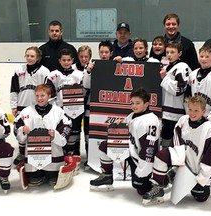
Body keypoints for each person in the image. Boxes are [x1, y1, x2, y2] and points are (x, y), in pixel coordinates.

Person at [142, 96, 211, 205]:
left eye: (196, 110)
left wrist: (202, 177)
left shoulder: (210, 129)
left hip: (197, 168)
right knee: (161, 156)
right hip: (183, 161)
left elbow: (210, 156)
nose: (192, 113)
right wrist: (177, 164)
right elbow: (175, 144)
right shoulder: (183, 121)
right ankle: (158, 188)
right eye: (190, 109)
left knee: (199, 195)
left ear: (203, 111)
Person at [90, 87, 161, 197]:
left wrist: (142, 170)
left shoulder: (150, 121)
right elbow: (129, 124)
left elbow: (149, 150)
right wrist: (121, 123)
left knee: (141, 189)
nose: (134, 106)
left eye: (138, 103)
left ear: (147, 104)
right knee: (105, 146)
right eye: (132, 103)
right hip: (130, 152)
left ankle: (162, 182)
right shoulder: (133, 115)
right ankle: (107, 176)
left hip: (141, 158)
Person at [13, 84, 73, 186]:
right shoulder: (26, 111)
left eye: (42, 95)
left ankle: (53, 171)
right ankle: (35, 173)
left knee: (53, 179)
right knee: (34, 180)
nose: (39, 98)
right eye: (37, 95)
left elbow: (67, 126)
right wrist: (22, 130)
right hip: (33, 158)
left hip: (54, 158)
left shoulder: (58, 111)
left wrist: (55, 135)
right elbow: (16, 126)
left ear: (49, 96)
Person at [10, 46, 50, 166]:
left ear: (37, 58)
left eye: (32, 56)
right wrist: (13, 105)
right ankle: (22, 153)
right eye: (27, 55)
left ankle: (37, 152)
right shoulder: (19, 70)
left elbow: (48, 91)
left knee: (36, 129)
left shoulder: (44, 71)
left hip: (36, 106)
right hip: (22, 105)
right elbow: (13, 89)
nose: (29, 58)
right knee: (21, 130)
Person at [45, 48, 83, 156]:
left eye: (68, 60)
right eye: (64, 60)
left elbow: (85, 91)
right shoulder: (53, 75)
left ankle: (73, 155)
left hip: (75, 109)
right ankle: (62, 155)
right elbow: (49, 94)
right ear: (59, 61)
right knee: (62, 132)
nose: (66, 62)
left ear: (72, 61)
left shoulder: (79, 75)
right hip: (60, 109)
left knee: (75, 132)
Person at [82, 40, 113, 170]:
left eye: (106, 52)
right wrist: (89, 71)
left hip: (109, 108)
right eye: (101, 52)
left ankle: (108, 159)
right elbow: (86, 85)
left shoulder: (116, 65)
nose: (104, 55)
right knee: (90, 136)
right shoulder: (91, 66)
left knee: (108, 135)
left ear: (111, 53)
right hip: (92, 107)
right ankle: (91, 159)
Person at [160, 41, 191, 148]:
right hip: (165, 112)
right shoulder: (166, 67)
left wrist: (165, 79)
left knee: (176, 139)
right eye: (167, 52)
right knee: (165, 137)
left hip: (176, 112)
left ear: (179, 53)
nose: (169, 55)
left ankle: (175, 161)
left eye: (172, 52)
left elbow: (180, 89)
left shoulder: (182, 67)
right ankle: (165, 158)